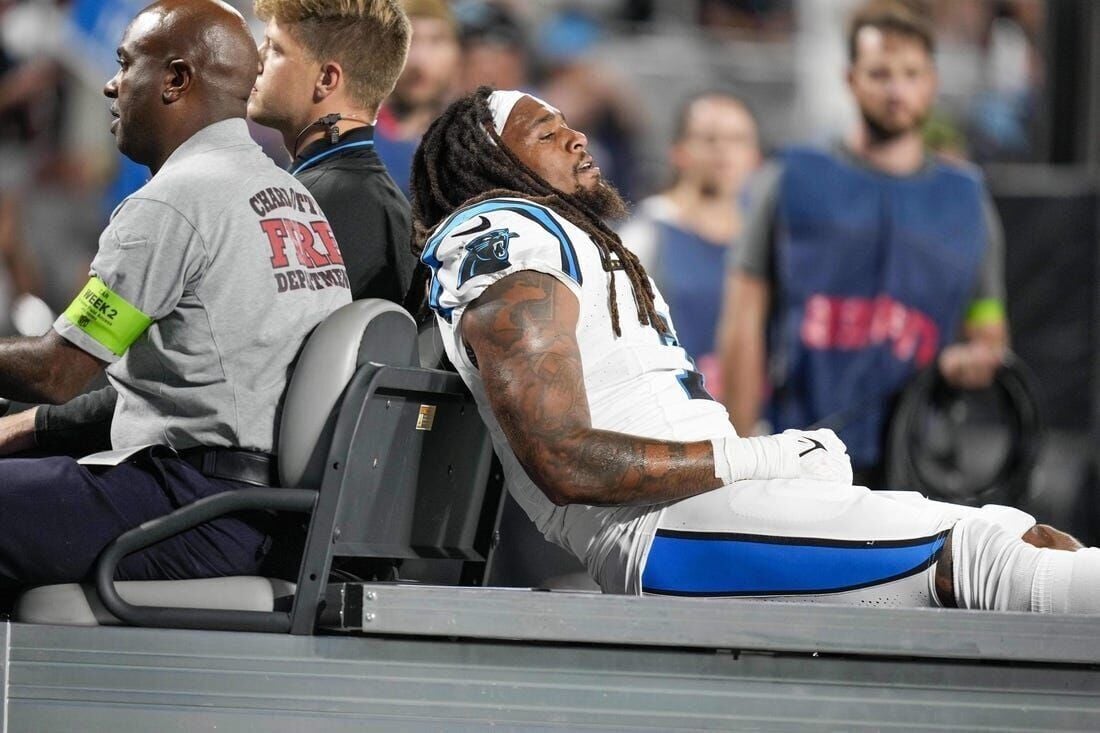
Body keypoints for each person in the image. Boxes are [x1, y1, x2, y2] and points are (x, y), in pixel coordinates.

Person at [410, 85, 1100, 614]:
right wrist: (756, 455)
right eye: (546, 131)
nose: (577, 135)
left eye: (569, 122)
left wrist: (754, 464)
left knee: (1020, 534)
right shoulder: (502, 231)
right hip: (661, 531)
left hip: (704, 507)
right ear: (493, 162)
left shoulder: (570, 236)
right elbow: (561, 455)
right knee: (981, 558)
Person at [0, 0, 351, 594]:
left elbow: (58, 372)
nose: (111, 86)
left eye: (125, 64)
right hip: (268, 508)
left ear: (176, 80)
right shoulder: (286, 194)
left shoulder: (174, 203)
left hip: (195, 507)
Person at [0, 0, 416, 458]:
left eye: (274, 50)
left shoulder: (317, 207)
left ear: (327, 79)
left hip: (218, 487)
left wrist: (35, 424)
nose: (253, 63)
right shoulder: (322, 192)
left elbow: (246, 390)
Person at [720, 0, 1008, 484]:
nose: (897, 91)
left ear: (932, 81)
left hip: (920, 458)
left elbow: (988, 322)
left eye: (911, 74)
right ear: (851, 79)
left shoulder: (967, 199)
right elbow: (743, 322)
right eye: (880, 74)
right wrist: (738, 456)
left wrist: (979, 355)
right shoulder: (789, 178)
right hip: (802, 453)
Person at [618, 91, 761, 397]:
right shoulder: (646, 235)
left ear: (755, 156)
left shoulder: (768, 236)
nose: (724, 151)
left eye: (738, 140)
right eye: (709, 139)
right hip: (674, 416)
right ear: (679, 151)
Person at [374, 0, 460, 196]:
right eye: (407, 39)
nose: (419, 60)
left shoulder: (471, 145)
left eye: (436, 40)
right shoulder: (346, 140)